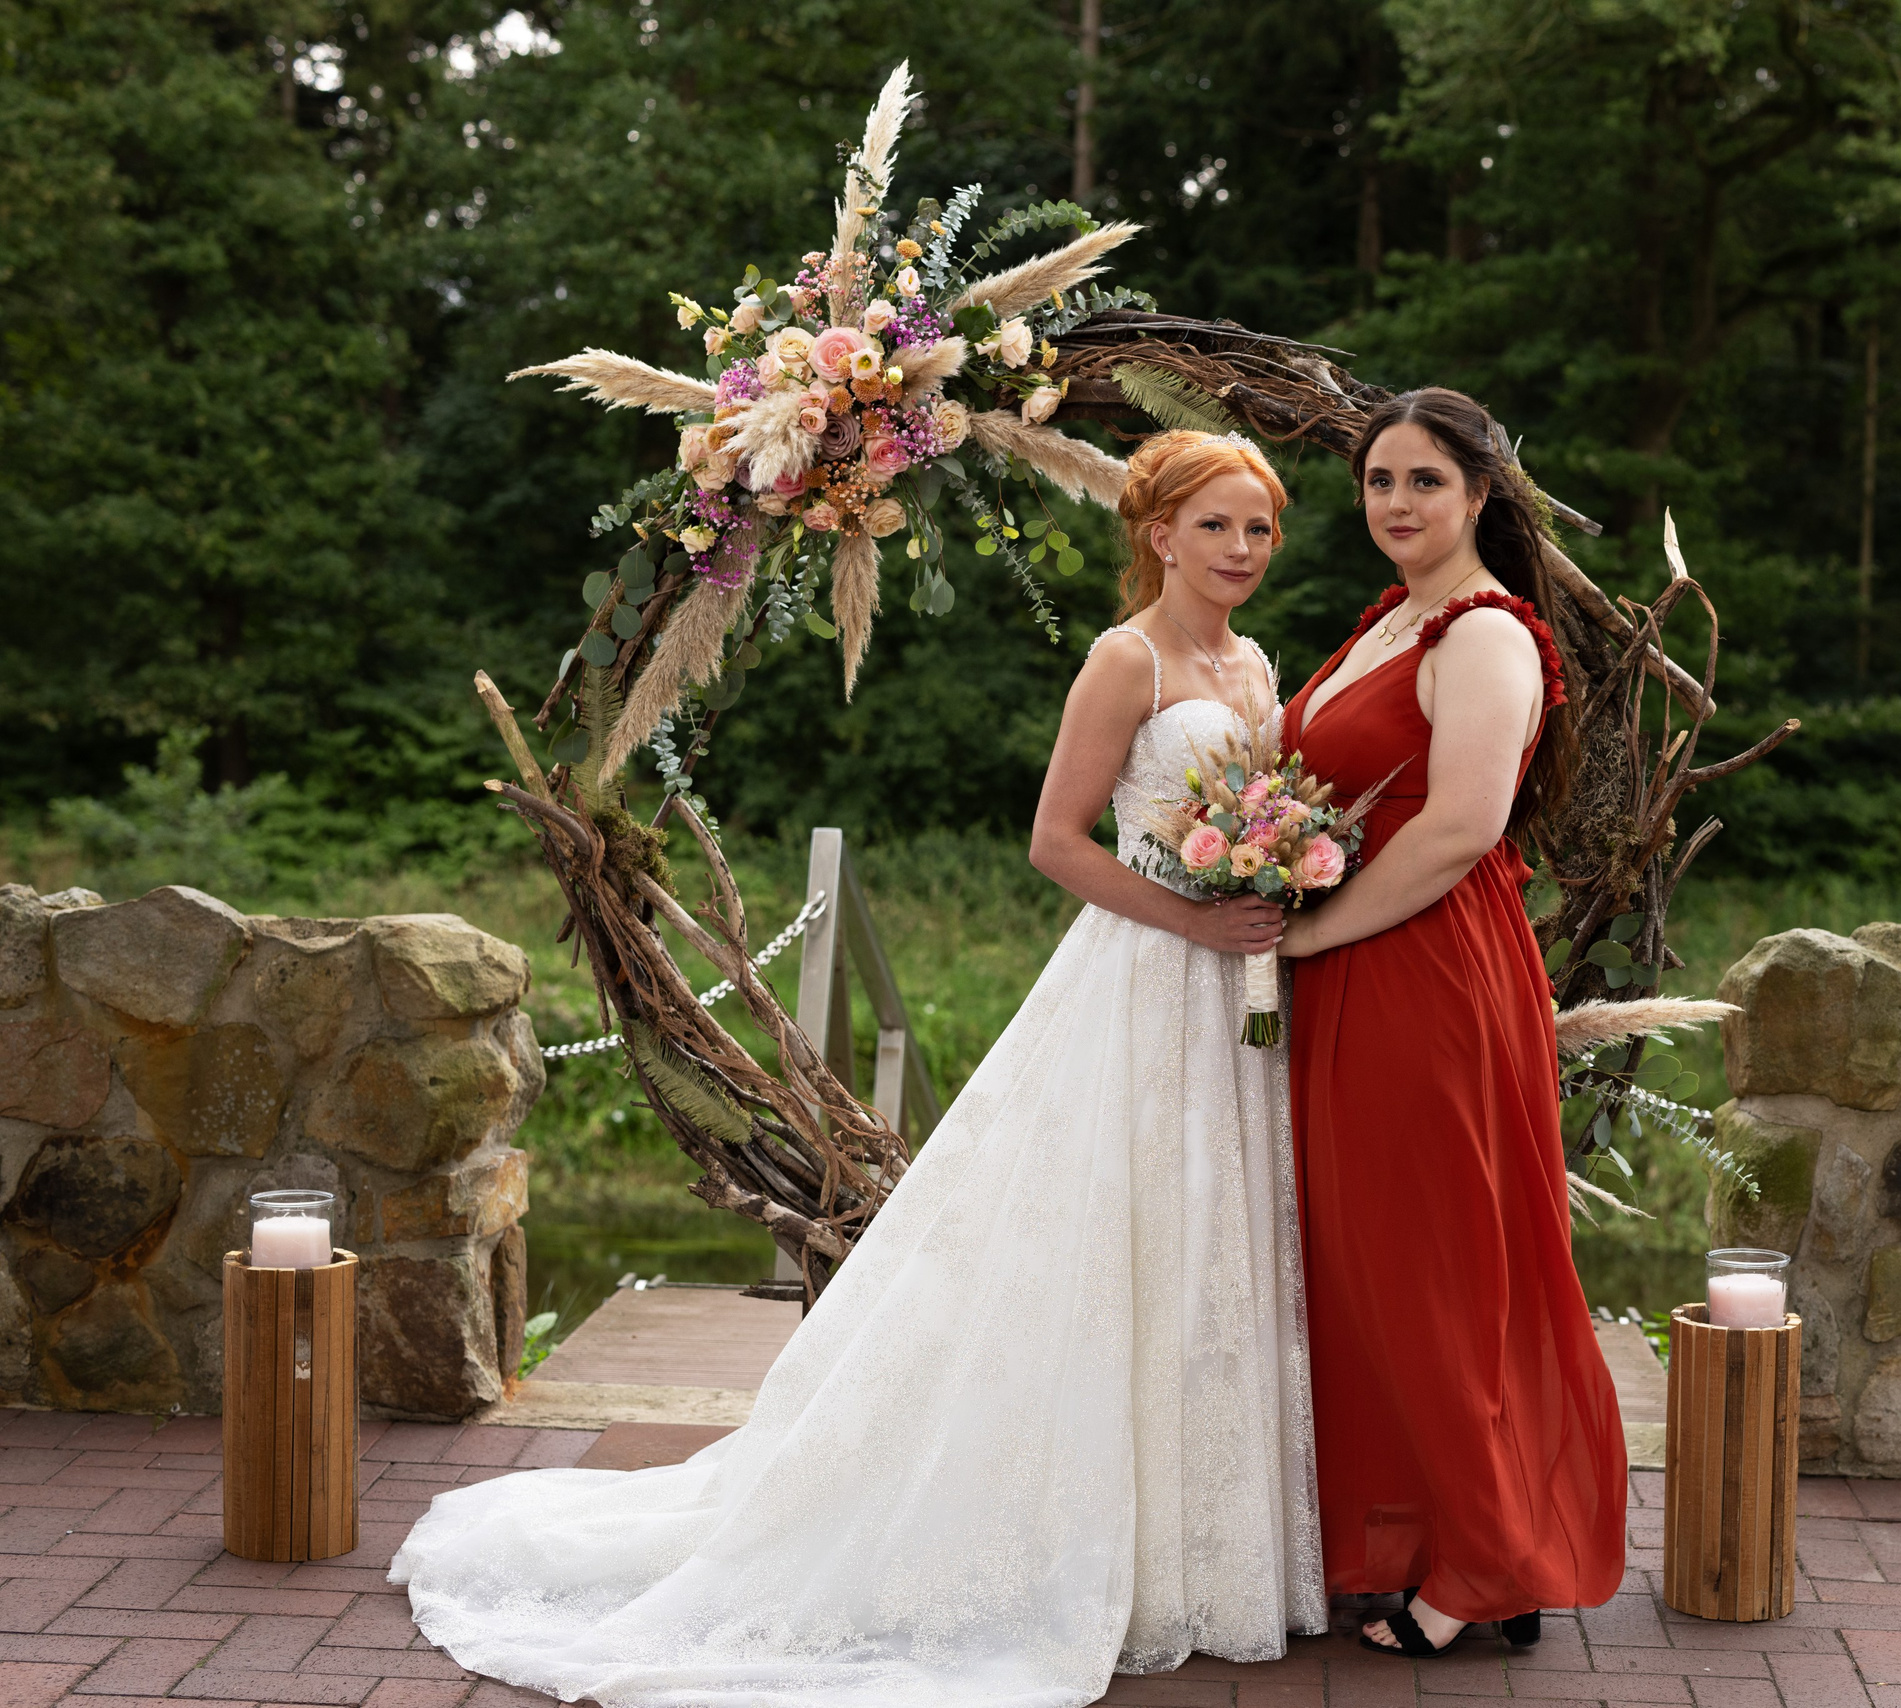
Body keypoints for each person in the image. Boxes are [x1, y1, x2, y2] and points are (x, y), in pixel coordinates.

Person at [391, 430, 1324, 1708]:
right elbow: (1056, 842)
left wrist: (1271, 875)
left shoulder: (1257, 662)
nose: (1239, 551)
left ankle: (1200, 1549)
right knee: (1103, 1240)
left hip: (1237, 992)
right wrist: (1197, 914)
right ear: (1158, 533)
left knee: (1209, 1239)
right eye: (1215, 525)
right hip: (1147, 972)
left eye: (1258, 530)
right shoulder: (1127, 660)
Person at [1278, 387, 1627, 1657]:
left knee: (1432, 1265)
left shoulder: (1485, 635)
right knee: (1369, 1265)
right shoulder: (1388, 619)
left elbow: (1461, 826)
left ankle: (1484, 1562)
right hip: (1359, 961)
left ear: (1482, 492)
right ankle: (1413, 1533)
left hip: (1426, 969)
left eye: (1424, 480)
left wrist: (1314, 926)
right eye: (1378, 481)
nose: (1396, 504)